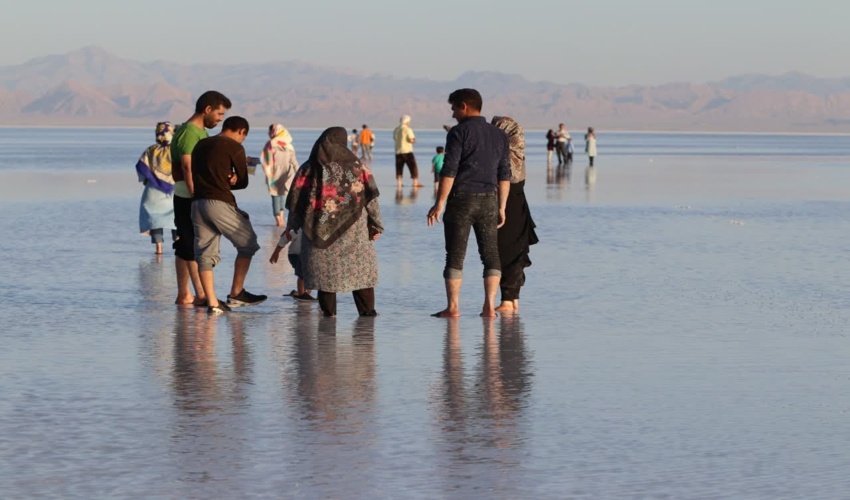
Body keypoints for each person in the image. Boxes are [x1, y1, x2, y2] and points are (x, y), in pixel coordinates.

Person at [427, 88, 511, 318]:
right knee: (491, 254)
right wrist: (502, 206)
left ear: (464, 106)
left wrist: (439, 203)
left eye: (454, 108)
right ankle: (488, 307)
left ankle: (453, 308)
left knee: (455, 255)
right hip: (489, 201)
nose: (453, 114)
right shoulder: (499, 135)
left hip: (461, 200)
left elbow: (449, 170)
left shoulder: (458, 132)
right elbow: (505, 175)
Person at [284, 127, 383, 318]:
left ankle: (329, 315)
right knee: (360, 275)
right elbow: (371, 199)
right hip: (354, 234)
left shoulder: (308, 168)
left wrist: (292, 226)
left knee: (325, 278)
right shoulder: (358, 167)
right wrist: (376, 224)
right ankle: (367, 314)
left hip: (317, 232)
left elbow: (296, 201)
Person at [190, 116, 267, 314]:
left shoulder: (201, 144)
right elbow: (242, 181)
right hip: (219, 203)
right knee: (248, 243)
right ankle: (236, 292)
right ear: (241, 131)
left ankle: (213, 303)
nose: (242, 141)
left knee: (205, 253)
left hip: (197, 203)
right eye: (244, 137)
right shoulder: (235, 147)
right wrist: (233, 179)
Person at [170, 90, 232, 306]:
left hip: (191, 195)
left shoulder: (200, 132)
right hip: (188, 196)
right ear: (207, 110)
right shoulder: (189, 132)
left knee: (186, 243)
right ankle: (200, 294)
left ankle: (186, 294)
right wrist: (197, 194)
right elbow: (187, 165)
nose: (219, 119)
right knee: (191, 243)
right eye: (219, 114)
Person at [491, 116, 539, 314]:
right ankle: (512, 299)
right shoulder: (517, 155)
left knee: (505, 251)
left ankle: (508, 301)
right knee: (516, 251)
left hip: (508, 209)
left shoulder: (502, 158)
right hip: (519, 208)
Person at [135, 122, 177, 255]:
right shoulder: (177, 150)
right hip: (174, 190)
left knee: (155, 220)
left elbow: (141, 167)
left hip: (153, 191)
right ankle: (178, 243)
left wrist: (147, 180)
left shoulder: (151, 150)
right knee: (177, 218)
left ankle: (159, 249)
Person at [260, 123, 299, 227]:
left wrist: (253, 162)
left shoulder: (270, 144)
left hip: (273, 173)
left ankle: (278, 220)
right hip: (286, 173)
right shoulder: (288, 145)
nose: (268, 133)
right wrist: (299, 172)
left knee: (275, 196)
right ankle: (281, 219)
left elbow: (264, 159)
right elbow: (294, 161)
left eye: (269, 131)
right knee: (282, 195)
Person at [270, 228, 316, 301]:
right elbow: (284, 239)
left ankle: (303, 292)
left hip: (308, 255)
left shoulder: (316, 231)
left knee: (309, 274)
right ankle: (301, 294)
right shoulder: (297, 230)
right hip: (295, 255)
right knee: (302, 273)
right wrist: (275, 253)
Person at [393, 114, 422, 188]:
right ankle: (415, 182)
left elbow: (395, 138)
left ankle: (399, 183)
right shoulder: (408, 129)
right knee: (413, 166)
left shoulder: (396, 129)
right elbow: (411, 139)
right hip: (407, 151)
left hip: (398, 151)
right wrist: (414, 140)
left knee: (399, 167)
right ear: (406, 122)